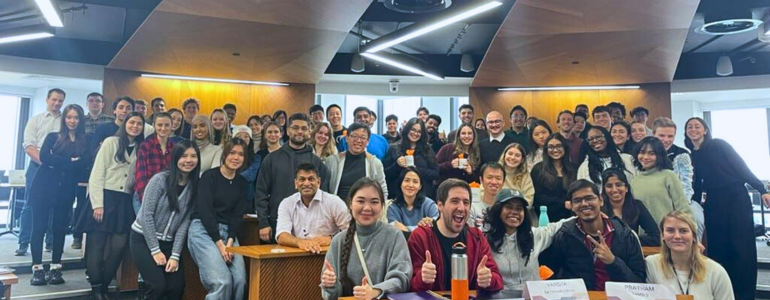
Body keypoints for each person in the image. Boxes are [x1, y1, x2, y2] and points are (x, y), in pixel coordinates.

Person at [685, 117, 770, 300]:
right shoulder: (691, 155)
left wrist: (761, 189)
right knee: (718, 248)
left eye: (697, 126)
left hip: (736, 198)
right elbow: (697, 185)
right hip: (713, 203)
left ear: (705, 130)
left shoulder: (718, 145)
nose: (693, 129)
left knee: (742, 248)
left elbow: (741, 167)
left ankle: (744, 295)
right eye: (689, 127)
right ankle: (724, 292)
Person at [78, 112, 145, 300]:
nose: (135, 126)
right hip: (104, 198)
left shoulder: (141, 147)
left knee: (119, 246)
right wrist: (97, 205)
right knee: (97, 245)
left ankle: (105, 285)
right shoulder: (110, 142)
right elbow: (97, 174)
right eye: (131, 122)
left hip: (124, 201)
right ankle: (96, 289)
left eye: (139, 123)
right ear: (124, 124)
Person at [130, 141, 200, 300]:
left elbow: (184, 223)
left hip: (168, 243)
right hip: (143, 239)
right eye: (184, 156)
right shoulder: (160, 179)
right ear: (175, 158)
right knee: (157, 286)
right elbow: (146, 215)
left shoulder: (194, 186)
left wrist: (175, 255)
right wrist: (155, 250)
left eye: (193, 156)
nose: (189, 160)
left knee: (176, 287)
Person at [321, 178, 412, 300]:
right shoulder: (338, 241)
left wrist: (375, 291)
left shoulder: (394, 236)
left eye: (374, 202)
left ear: (382, 206)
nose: (367, 208)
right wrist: (330, 285)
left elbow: (402, 279)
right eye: (360, 201)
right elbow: (331, 296)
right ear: (350, 204)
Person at [408, 179, 504, 292]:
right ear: (440, 205)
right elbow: (410, 287)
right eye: (455, 201)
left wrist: (489, 279)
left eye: (466, 202)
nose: (461, 208)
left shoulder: (477, 237)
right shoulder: (420, 237)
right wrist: (423, 279)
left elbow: (498, 281)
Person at [27, 104, 87, 285]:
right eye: (69, 117)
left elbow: (84, 164)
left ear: (80, 120)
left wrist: (59, 162)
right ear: (64, 119)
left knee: (59, 229)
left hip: (66, 190)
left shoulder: (84, 140)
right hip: (43, 188)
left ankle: (55, 268)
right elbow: (45, 158)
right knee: (39, 228)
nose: (72, 121)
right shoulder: (53, 137)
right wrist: (70, 161)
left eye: (76, 117)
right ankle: (37, 268)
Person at [548, 179, 646, 291]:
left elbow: (639, 284)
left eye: (589, 198)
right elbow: (552, 276)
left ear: (601, 200)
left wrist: (613, 261)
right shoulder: (565, 235)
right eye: (577, 200)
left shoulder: (625, 235)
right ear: (572, 206)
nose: (584, 204)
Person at [187, 139, 249, 300]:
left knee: (240, 281)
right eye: (232, 153)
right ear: (224, 155)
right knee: (223, 282)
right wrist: (220, 245)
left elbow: (237, 216)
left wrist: (230, 242)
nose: (236, 157)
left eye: (241, 154)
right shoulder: (209, 176)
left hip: (228, 233)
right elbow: (205, 211)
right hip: (203, 230)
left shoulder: (242, 183)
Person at [256, 113, 331, 243]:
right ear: (287, 131)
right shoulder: (272, 159)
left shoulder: (317, 163)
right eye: (295, 128)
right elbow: (261, 192)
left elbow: (324, 196)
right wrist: (263, 222)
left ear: (309, 131)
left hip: (311, 226)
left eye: (304, 128)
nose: (299, 131)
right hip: (277, 223)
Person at [483, 189, 572, 291]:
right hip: (500, 296)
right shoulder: (485, 240)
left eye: (519, 208)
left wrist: (580, 215)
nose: (514, 212)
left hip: (533, 295)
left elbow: (557, 226)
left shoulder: (533, 235)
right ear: (498, 210)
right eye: (509, 207)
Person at [645, 211, 735, 300]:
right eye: (670, 230)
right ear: (663, 235)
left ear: (694, 237)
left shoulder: (716, 272)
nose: (677, 236)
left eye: (683, 231)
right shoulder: (651, 265)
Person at [18, 88, 64, 256]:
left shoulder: (65, 122)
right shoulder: (35, 120)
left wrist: (55, 164)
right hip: (37, 166)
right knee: (30, 204)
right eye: (54, 99)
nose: (57, 103)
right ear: (47, 99)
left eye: (60, 100)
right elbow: (29, 146)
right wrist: (46, 162)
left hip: (58, 168)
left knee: (54, 204)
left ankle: (50, 243)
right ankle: (24, 242)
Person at [276, 163, 350, 253]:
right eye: (302, 179)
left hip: (329, 255)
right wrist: (300, 242)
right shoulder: (287, 203)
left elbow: (351, 232)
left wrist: (331, 239)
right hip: (297, 255)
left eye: (311, 179)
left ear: (318, 182)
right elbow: (281, 236)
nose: (306, 183)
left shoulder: (334, 202)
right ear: (296, 183)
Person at [652, 117, 703, 238]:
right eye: (661, 135)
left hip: (682, 200)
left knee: (696, 219)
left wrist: (678, 207)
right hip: (654, 199)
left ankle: (695, 247)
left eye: (670, 136)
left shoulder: (682, 154)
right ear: (653, 134)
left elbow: (687, 184)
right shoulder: (644, 154)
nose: (666, 140)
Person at [630, 137, 692, 225]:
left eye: (651, 153)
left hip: (669, 230)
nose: (645, 157)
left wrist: (689, 228)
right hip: (645, 232)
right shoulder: (634, 181)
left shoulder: (669, 176)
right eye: (642, 152)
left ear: (659, 155)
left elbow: (683, 208)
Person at [325, 122, 388, 200]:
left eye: (363, 137)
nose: (358, 140)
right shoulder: (332, 161)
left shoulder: (375, 163)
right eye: (354, 136)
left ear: (368, 141)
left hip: (365, 206)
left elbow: (383, 191)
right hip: (337, 205)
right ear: (347, 138)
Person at [383, 117, 439, 199]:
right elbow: (385, 174)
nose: (415, 133)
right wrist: (397, 165)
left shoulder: (427, 149)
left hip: (422, 196)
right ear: (407, 130)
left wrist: (417, 169)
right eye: (413, 130)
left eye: (419, 132)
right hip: (398, 197)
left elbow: (436, 174)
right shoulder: (394, 148)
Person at [600, 169, 659, 246]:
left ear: (626, 188)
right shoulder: (599, 209)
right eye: (609, 186)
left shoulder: (637, 206)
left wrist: (631, 240)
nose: (614, 190)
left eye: (619, 185)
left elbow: (656, 236)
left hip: (632, 251)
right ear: (604, 189)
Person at [134, 112, 176, 214]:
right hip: (144, 196)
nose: (163, 128)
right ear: (154, 126)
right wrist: (146, 200)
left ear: (172, 126)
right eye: (160, 125)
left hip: (165, 199)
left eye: (167, 125)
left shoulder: (174, 148)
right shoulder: (145, 146)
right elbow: (140, 176)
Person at [531, 134, 576, 222]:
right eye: (551, 147)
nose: (555, 150)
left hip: (571, 217)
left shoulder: (574, 168)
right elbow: (537, 197)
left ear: (565, 148)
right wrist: (562, 203)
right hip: (547, 218)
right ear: (546, 149)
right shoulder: (538, 169)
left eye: (559, 146)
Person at [386, 167, 439, 233]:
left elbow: (438, 225)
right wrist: (422, 229)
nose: (411, 185)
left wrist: (406, 229)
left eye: (415, 182)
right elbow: (394, 231)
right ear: (400, 184)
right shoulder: (393, 208)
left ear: (420, 186)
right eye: (407, 180)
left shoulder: (429, 204)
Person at [231, 126, 262, 208]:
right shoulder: (227, 155)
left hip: (247, 198)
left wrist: (231, 178)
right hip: (228, 195)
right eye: (239, 136)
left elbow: (251, 174)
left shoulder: (256, 157)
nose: (243, 139)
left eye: (246, 136)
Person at [470, 162, 505, 228]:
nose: (494, 182)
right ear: (481, 180)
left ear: (503, 182)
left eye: (498, 178)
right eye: (489, 177)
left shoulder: (506, 209)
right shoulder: (472, 207)